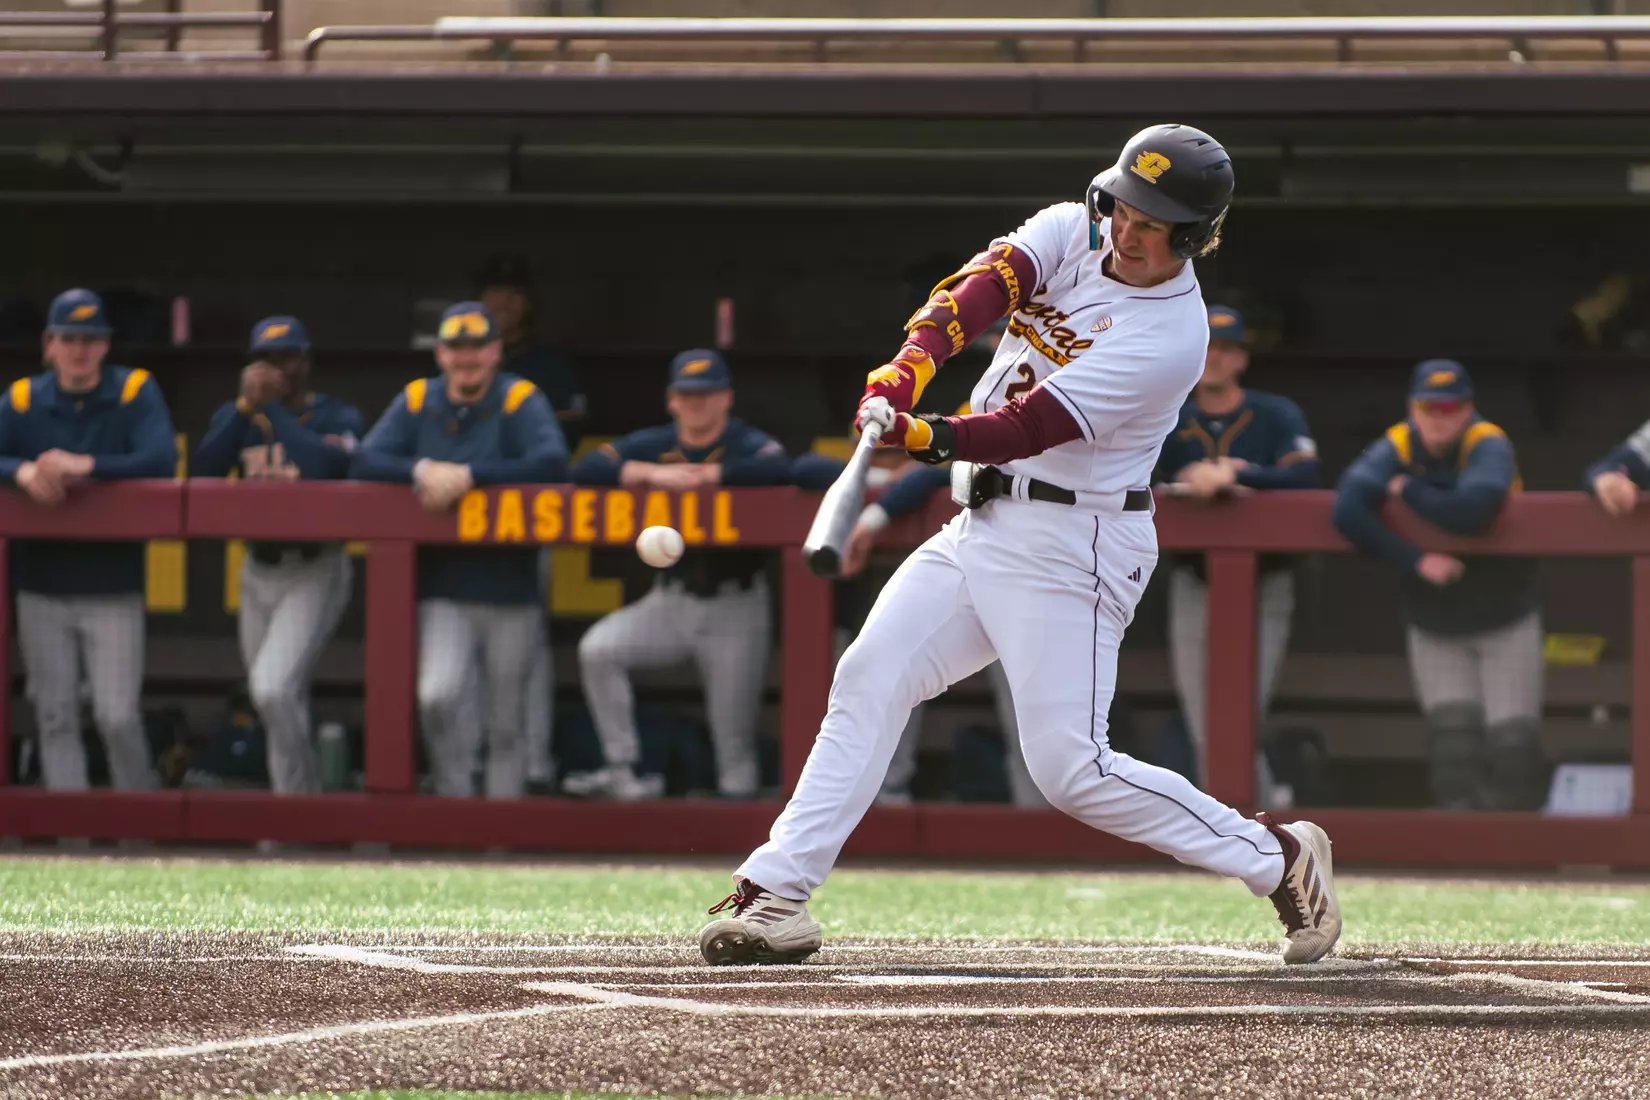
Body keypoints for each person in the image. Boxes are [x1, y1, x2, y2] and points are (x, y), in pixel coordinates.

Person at [698, 124, 1339, 968]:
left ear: (1193, 235)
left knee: (1072, 770)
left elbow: (1024, 428)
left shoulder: (1172, 335)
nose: (1126, 226)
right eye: (1124, 205)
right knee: (870, 674)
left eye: (1152, 220)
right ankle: (779, 892)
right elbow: (980, 289)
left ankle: (1278, 858)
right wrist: (908, 365)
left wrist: (923, 434)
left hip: (1078, 539)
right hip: (982, 523)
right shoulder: (1075, 226)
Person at [352, 302, 567, 798]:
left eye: (477, 348)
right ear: (441, 354)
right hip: (444, 585)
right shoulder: (417, 399)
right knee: (437, 696)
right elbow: (365, 458)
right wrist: (421, 470)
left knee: (507, 719)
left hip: (510, 586)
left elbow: (552, 462)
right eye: (456, 348)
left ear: (495, 351)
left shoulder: (518, 397)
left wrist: (472, 476)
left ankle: (501, 832)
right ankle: (455, 808)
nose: (466, 359)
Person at [567, 349, 789, 801]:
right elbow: (585, 468)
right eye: (688, 395)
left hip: (736, 606)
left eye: (707, 394)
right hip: (669, 601)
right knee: (597, 650)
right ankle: (621, 767)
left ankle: (742, 846)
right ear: (672, 400)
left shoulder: (745, 442)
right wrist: (651, 473)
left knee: (734, 744)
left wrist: (712, 476)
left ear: (726, 397)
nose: (697, 404)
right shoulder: (655, 443)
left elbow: (781, 466)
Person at [1333, 359, 1544, 811]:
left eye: (1451, 406)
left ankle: (1519, 856)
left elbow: (1475, 509)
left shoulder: (1486, 440)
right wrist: (1416, 558)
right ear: (1413, 408)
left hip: (1505, 612)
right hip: (1434, 617)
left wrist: (1408, 491)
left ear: (1468, 408)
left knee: (1514, 747)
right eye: (1429, 407)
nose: (1439, 417)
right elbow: (1347, 509)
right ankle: (1464, 862)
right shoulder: (1400, 440)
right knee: (1453, 746)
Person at [0, 288, 177, 791]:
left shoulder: (133, 390)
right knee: (54, 717)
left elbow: (162, 460)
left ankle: (137, 833)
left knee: (117, 716)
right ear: (49, 344)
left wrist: (88, 466)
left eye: (90, 340)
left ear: (105, 346)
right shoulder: (21, 398)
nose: (79, 350)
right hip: (41, 584)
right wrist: (22, 471)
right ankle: (70, 840)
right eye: (69, 339)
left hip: (112, 583)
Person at [193, 316, 364, 795]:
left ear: (305, 362)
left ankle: (298, 805)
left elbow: (325, 467)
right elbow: (203, 471)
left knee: (271, 689)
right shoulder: (240, 416)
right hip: (257, 568)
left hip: (315, 567)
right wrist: (247, 409)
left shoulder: (337, 416)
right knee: (276, 697)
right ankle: (291, 812)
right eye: (267, 359)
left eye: (287, 357)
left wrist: (274, 413)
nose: (277, 369)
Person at [1154, 304, 1319, 799]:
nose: (1214, 360)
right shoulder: (1168, 415)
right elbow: (1130, 474)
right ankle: (1258, 819)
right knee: (1204, 717)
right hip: (1194, 581)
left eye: (1225, 350)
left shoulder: (1274, 412)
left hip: (1263, 583)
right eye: (1206, 349)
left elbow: (1306, 476)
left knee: (1240, 713)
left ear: (1241, 359)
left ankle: (1252, 824)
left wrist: (1238, 474)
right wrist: (1183, 478)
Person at [477, 253, 586, 792]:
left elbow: (558, 453)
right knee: (465, 662)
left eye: (512, 295)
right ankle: (474, 764)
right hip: (464, 528)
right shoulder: (454, 370)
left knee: (528, 651)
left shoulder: (545, 365)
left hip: (529, 520)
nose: (503, 304)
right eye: (494, 293)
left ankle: (536, 763)